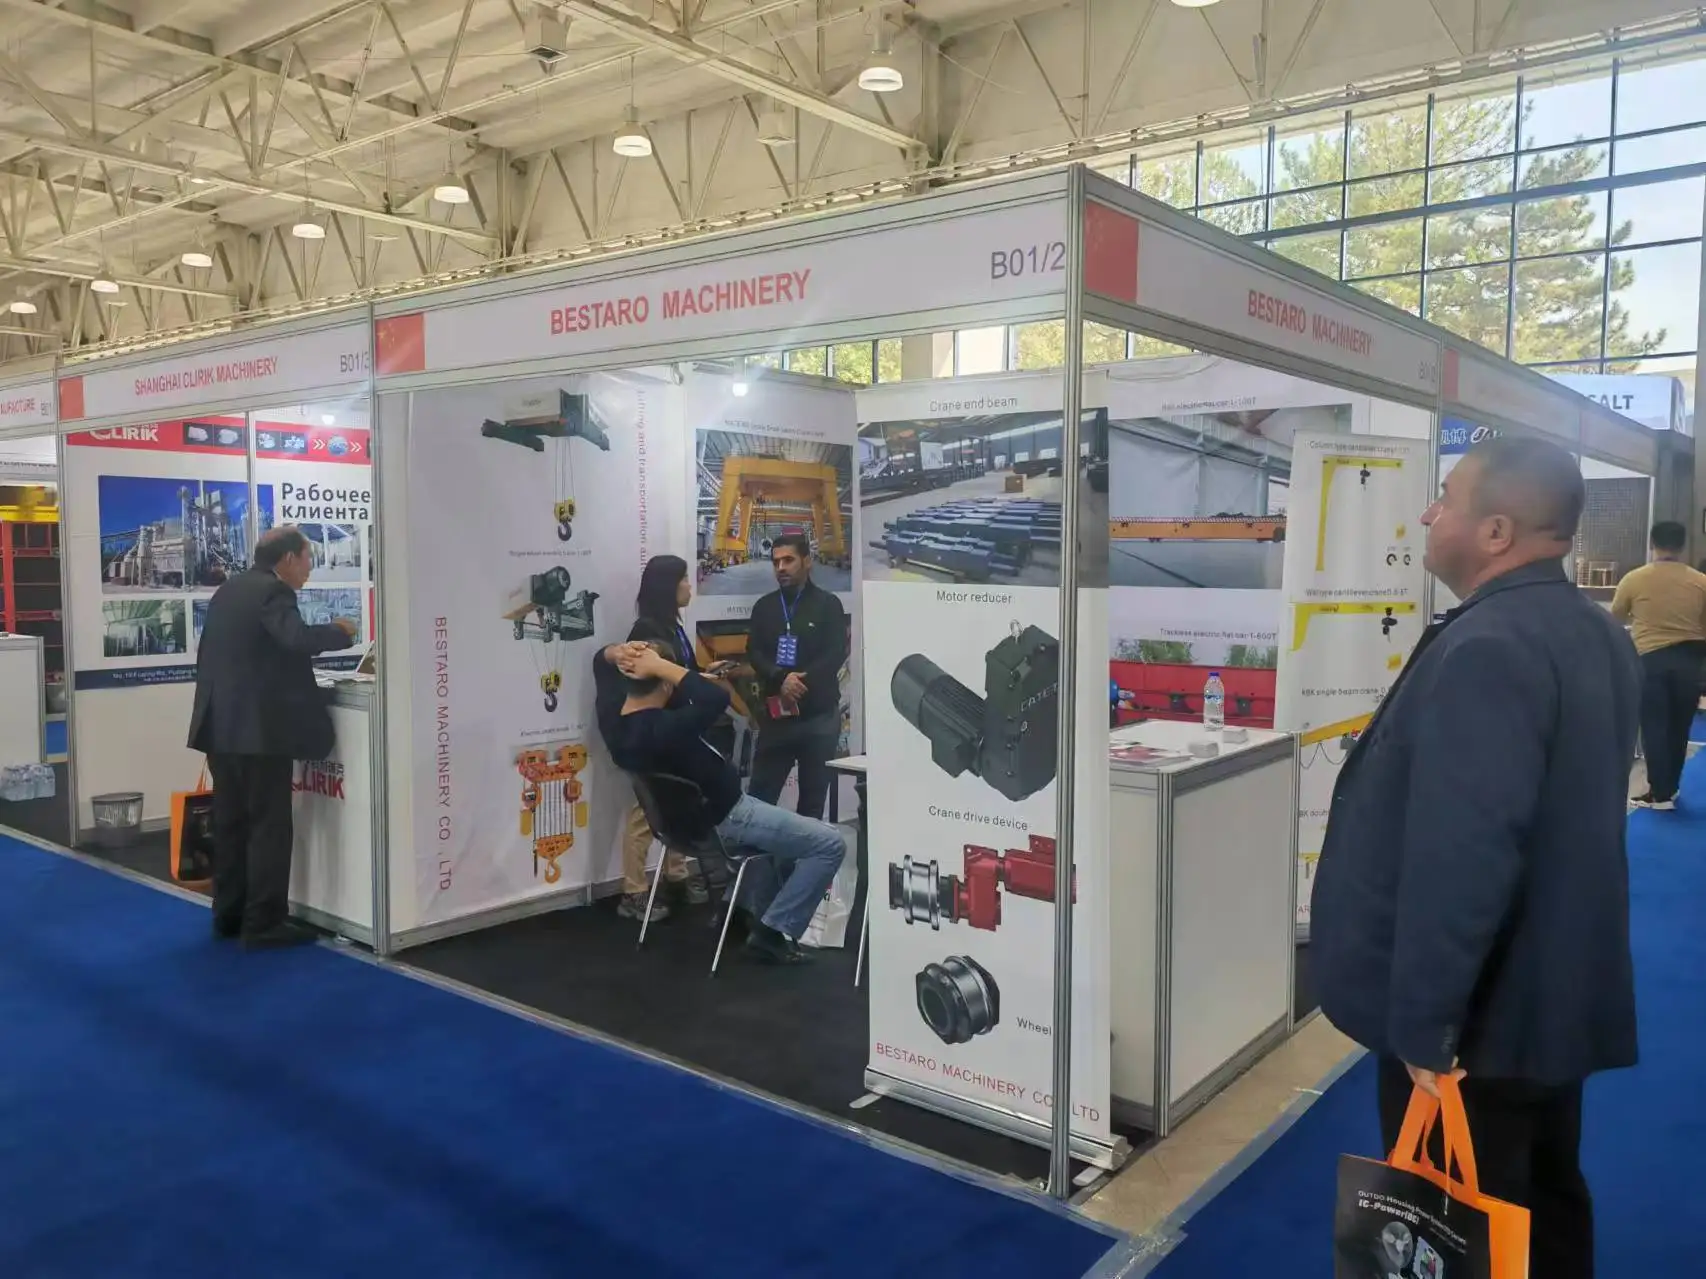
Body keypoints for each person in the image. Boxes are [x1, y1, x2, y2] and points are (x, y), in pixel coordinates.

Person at [1312, 436, 1640, 1279]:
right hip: (1549, 997)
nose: (1429, 512)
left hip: (1478, 1024)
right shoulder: (1593, 629)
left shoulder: (1489, 646)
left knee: (1462, 1222)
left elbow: (1466, 852)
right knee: (1544, 1196)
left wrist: (1428, 1025)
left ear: (1496, 532)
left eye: (1447, 497)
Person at [598, 640, 845, 964]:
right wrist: (660, 665)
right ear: (664, 682)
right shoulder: (666, 727)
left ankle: (737, 910)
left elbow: (600, 664)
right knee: (830, 845)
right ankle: (773, 930)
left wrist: (621, 655)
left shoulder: (615, 725)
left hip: (684, 828)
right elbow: (716, 698)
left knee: (785, 836)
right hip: (730, 819)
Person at [188, 526, 357, 948]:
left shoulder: (229, 590)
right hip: (258, 732)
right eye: (307, 558)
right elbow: (295, 638)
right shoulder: (274, 592)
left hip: (220, 728)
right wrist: (340, 631)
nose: (310, 568)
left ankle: (229, 914)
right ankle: (263, 923)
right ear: (288, 559)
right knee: (268, 826)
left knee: (231, 824)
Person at [606, 555, 708, 921]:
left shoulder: (671, 626)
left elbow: (680, 672)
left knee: (676, 805)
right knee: (645, 813)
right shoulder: (647, 631)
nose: (690, 586)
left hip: (674, 729)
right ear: (669, 586)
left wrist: (703, 676)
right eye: (684, 579)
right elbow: (649, 681)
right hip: (653, 733)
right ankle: (633, 892)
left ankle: (676, 876)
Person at [746, 534, 848, 818]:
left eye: (788, 560)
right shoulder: (764, 607)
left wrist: (801, 682)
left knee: (812, 806)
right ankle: (759, 850)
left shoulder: (828, 605)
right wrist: (781, 679)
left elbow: (835, 653)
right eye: (776, 562)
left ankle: (803, 850)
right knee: (759, 802)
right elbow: (754, 652)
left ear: (807, 561)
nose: (781, 568)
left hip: (819, 720)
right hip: (777, 720)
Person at [1611, 521, 1706, 811]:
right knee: (1679, 726)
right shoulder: (1700, 582)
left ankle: (1659, 793)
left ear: (1652, 543)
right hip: (1691, 661)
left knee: (1654, 727)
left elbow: (1614, 618)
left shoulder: (1635, 579)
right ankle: (1671, 788)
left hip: (1650, 659)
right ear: (1683, 546)